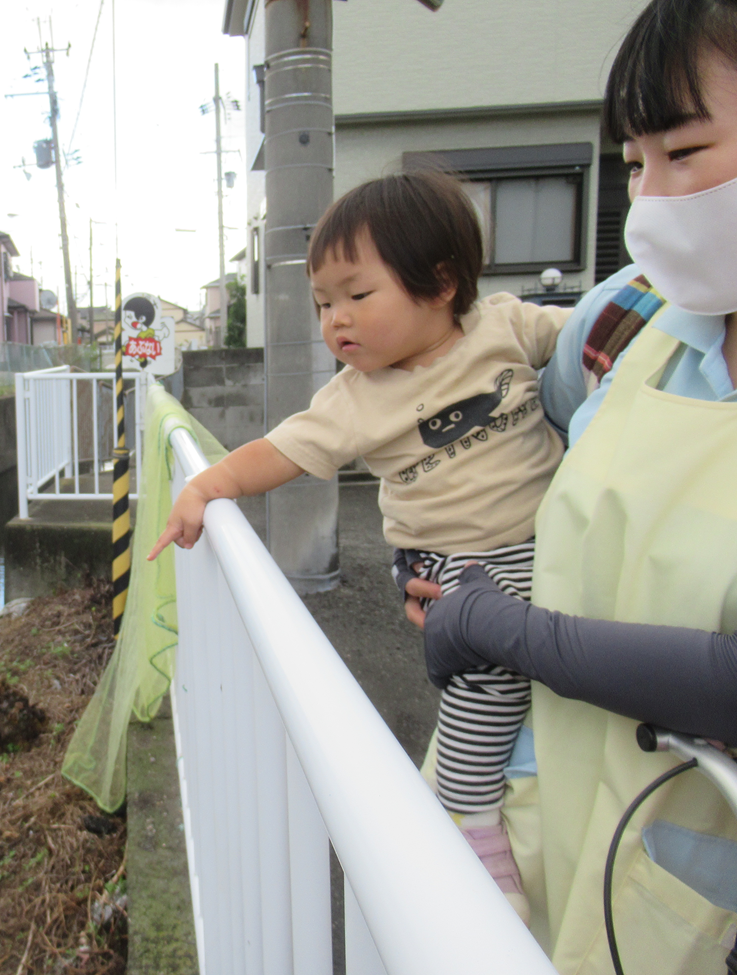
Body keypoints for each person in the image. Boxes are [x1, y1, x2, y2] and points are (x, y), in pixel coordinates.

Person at [148, 169, 569, 919]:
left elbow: (595, 341)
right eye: (322, 304)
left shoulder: (504, 326)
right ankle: (472, 840)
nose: (334, 319)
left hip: (553, 543)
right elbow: (277, 451)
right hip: (459, 572)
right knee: (486, 701)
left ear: (441, 282)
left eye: (356, 295)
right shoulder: (354, 398)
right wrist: (206, 487)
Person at [422, 1, 737, 970]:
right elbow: (516, 447)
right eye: (636, 162)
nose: (650, 200)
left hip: (687, 875)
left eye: (685, 152)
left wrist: (502, 630)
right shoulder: (627, 319)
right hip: (528, 800)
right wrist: (462, 571)